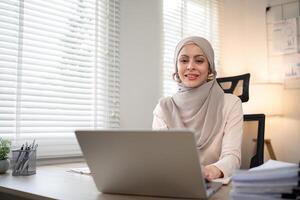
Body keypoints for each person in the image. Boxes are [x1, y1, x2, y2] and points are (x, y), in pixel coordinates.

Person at [152, 36, 243, 181]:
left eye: (199, 60)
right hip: (175, 184)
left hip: (213, 184)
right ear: (177, 66)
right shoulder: (163, 108)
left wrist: (211, 171)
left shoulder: (231, 103)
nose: (190, 66)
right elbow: (160, 158)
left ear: (209, 67)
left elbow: (232, 157)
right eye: (184, 60)